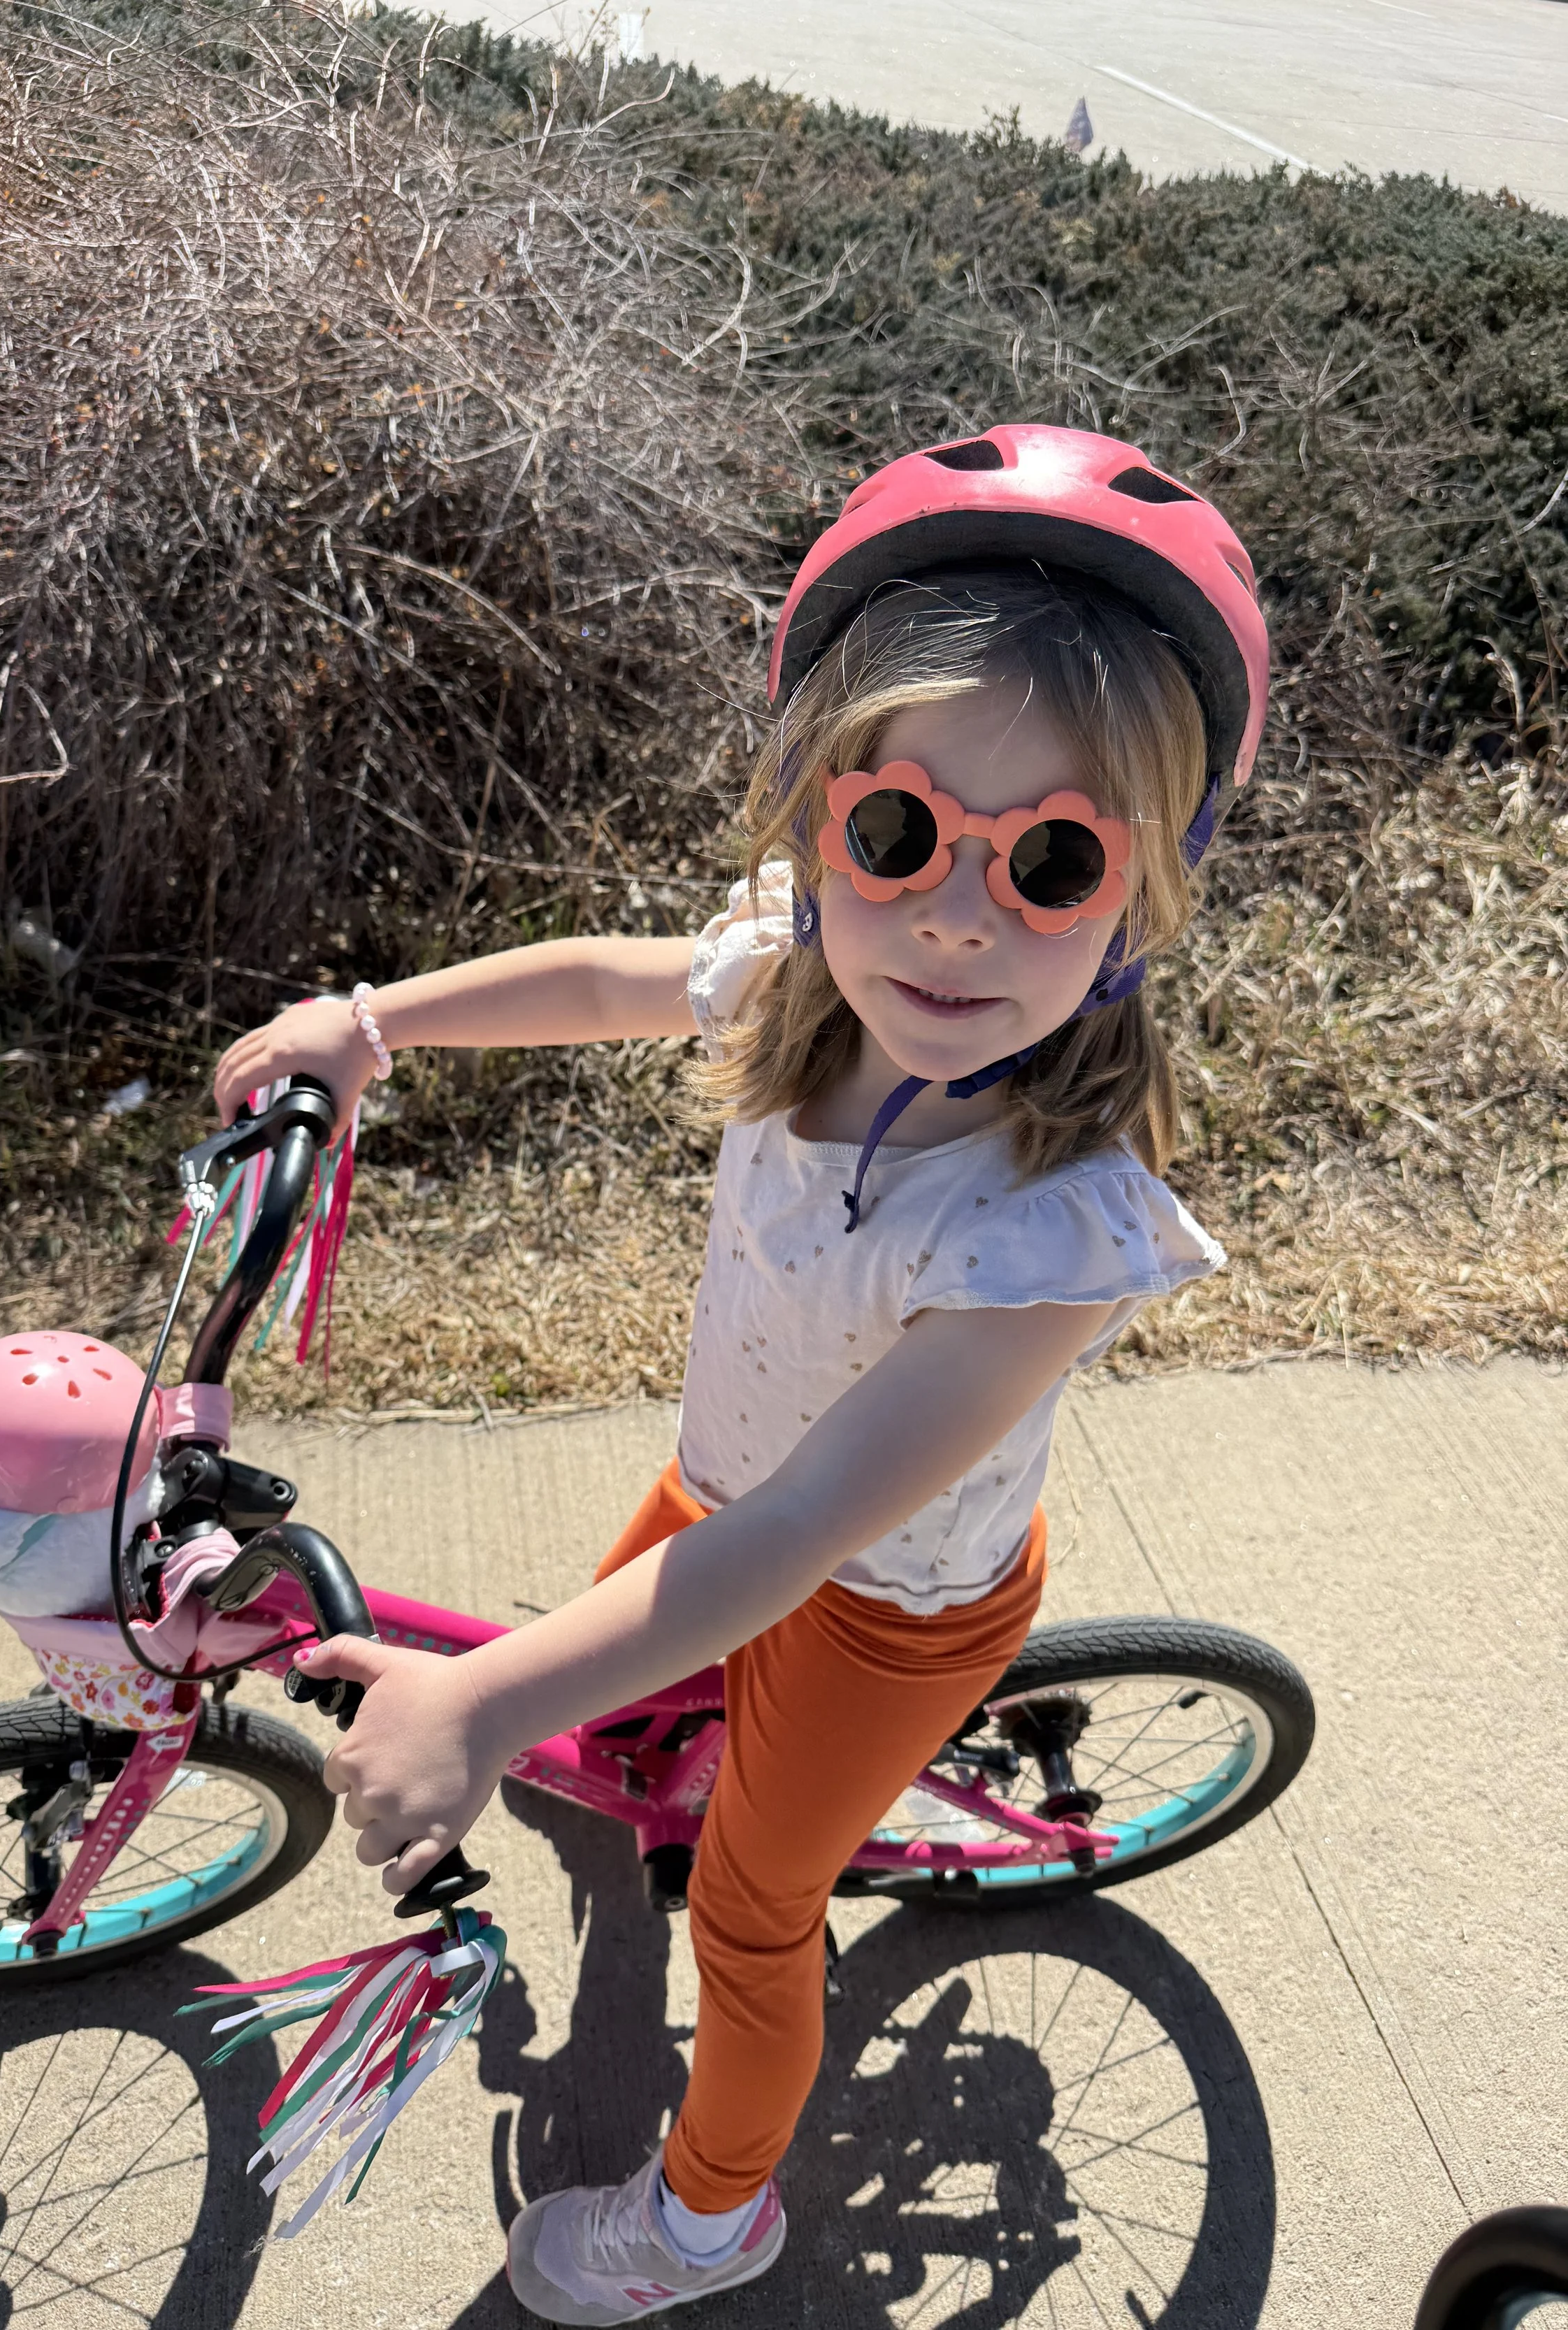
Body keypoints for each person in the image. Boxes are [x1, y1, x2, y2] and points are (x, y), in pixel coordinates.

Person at [211, 423, 1269, 2325]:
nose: (952, 914)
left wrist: (471, 1709)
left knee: (752, 1912)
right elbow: (616, 979)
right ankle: (611, 1740)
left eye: (1047, 860)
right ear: (814, 823)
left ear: (1143, 895)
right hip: (726, 1482)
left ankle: (712, 2218)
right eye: (895, 833)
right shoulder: (806, 979)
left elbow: (795, 1540)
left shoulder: (1048, 1234)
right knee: (615, 1672)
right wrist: (370, 1024)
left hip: (878, 1602)